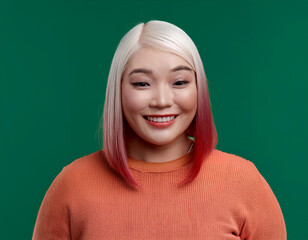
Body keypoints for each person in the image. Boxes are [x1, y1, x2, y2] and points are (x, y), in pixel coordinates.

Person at [33, 20, 287, 239]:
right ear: (118, 91)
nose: (162, 100)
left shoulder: (245, 183)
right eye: (142, 83)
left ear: (198, 89)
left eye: (179, 82)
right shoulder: (72, 185)